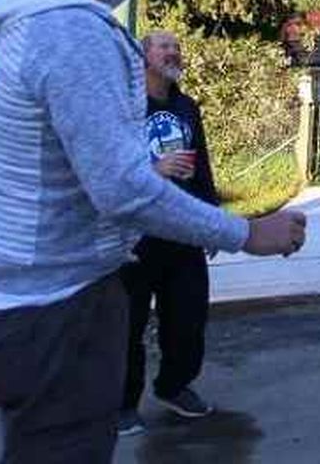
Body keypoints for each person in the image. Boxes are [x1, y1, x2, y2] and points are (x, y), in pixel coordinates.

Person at [0, 0, 307, 463]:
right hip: (51, 315)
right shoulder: (68, 33)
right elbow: (125, 192)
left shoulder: (46, 5)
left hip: (21, 299)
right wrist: (247, 232)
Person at [118, 31, 221, 436]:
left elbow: (204, 167)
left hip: (184, 228)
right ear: (143, 57)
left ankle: (174, 386)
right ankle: (123, 403)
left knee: (189, 316)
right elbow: (109, 169)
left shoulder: (186, 107)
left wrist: (212, 220)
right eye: (165, 46)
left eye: (176, 47)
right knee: (128, 323)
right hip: (136, 235)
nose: (174, 51)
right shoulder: (124, 106)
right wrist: (153, 170)